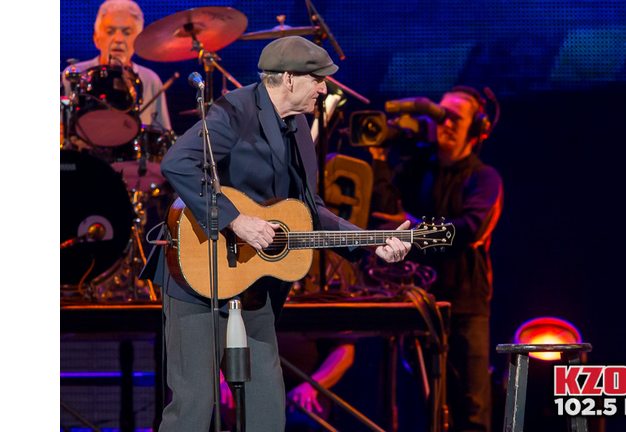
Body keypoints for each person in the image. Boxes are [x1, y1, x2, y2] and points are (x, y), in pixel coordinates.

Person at [140, 36, 411, 432]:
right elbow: (178, 163)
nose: (324, 88)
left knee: (267, 407)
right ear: (287, 78)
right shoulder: (233, 110)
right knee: (193, 408)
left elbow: (307, 209)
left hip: (252, 282)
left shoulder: (299, 125)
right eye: (317, 79)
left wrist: (372, 241)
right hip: (197, 275)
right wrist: (235, 220)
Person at [368, 86, 504, 432]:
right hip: (417, 304)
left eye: (454, 118)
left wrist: (412, 230)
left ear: (477, 130)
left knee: (471, 409)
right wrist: (381, 159)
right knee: (424, 408)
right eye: (440, 114)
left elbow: (468, 229)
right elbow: (384, 212)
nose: (443, 123)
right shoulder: (420, 169)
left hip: (465, 306)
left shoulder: (485, 179)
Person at [61, 0, 172, 150]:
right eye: (110, 31)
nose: (119, 39)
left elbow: (163, 140)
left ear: (138, 39)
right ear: (96, 38)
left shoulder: (151, 80)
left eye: (127, 32)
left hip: (134, 169)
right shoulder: (72, 75)